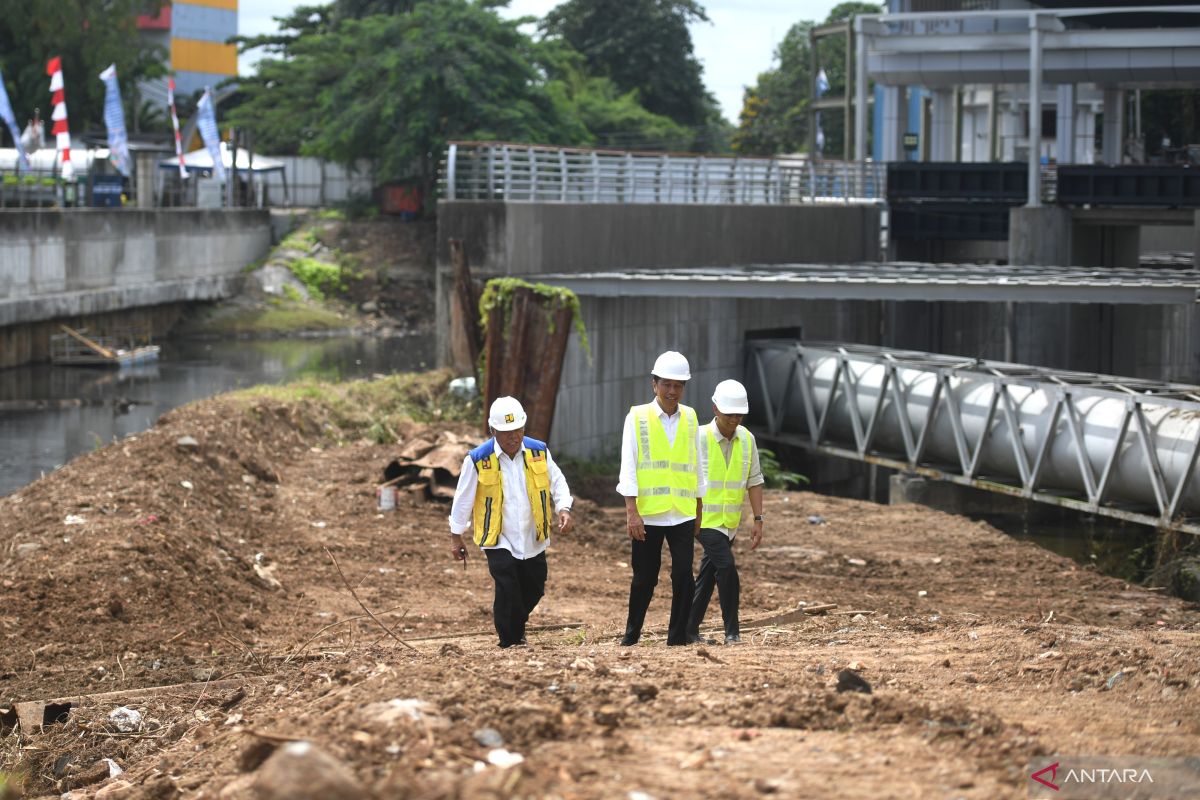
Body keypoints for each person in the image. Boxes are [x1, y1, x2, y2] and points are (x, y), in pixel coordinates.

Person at [448, 396, 573, 648]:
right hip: (497, 537)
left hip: (532, 534)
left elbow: (557, 480)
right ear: (493, 430)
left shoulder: (538, 451)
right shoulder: (477, 459)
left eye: (517, 429)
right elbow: (463, 499)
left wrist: (564, 508)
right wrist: (456, 535)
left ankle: (515, 627)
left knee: (535, 586)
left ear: (524, 427)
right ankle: (509, 640)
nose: (512, 436)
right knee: (507, 585)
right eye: (505, 432)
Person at [617, 351, 706, 646]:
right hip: (649, 513)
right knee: (644, 578)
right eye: (666, 384)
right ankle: (631, 636)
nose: (672, 391)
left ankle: (677, 638)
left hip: (681, 511)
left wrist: (698, 506)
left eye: (678, 385)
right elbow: (628, 465)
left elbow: (697, 463)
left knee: (683, 576)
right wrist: (631, 511)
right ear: (654, 384)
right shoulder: (638, 416)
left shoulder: (691, 417)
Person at [686, 379, 765, 645]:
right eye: (729, 413)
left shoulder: (747, 439)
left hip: (729, 522)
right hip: (703, 520)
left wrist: (758, 519)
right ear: (715, 409)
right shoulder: (698, 437)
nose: (734, 419)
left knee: (708, 576)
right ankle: (732, 632)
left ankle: (689, 630)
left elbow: (754, 480)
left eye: (739, 414)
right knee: (727, 567)